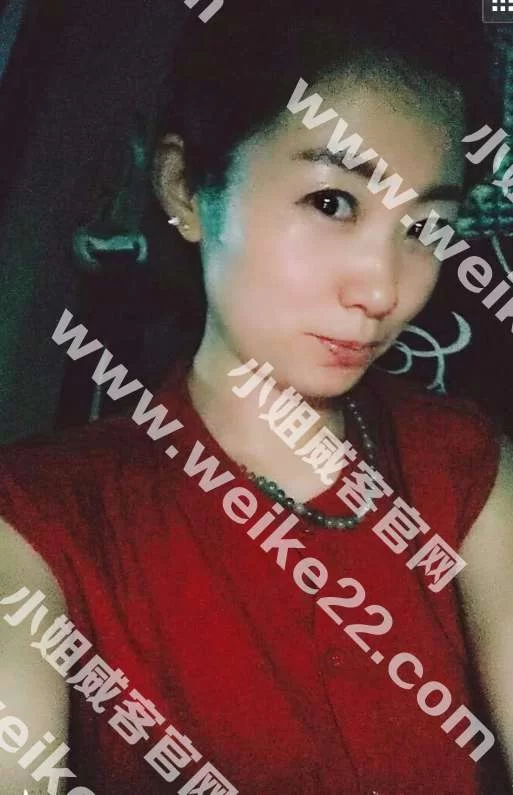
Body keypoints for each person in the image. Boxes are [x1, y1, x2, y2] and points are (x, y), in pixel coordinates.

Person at [0, 0, 511, 792]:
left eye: (424, 228)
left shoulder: (463, 466)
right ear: (184, 186)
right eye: (331, 202)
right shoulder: (44, 519)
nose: (382, 289)